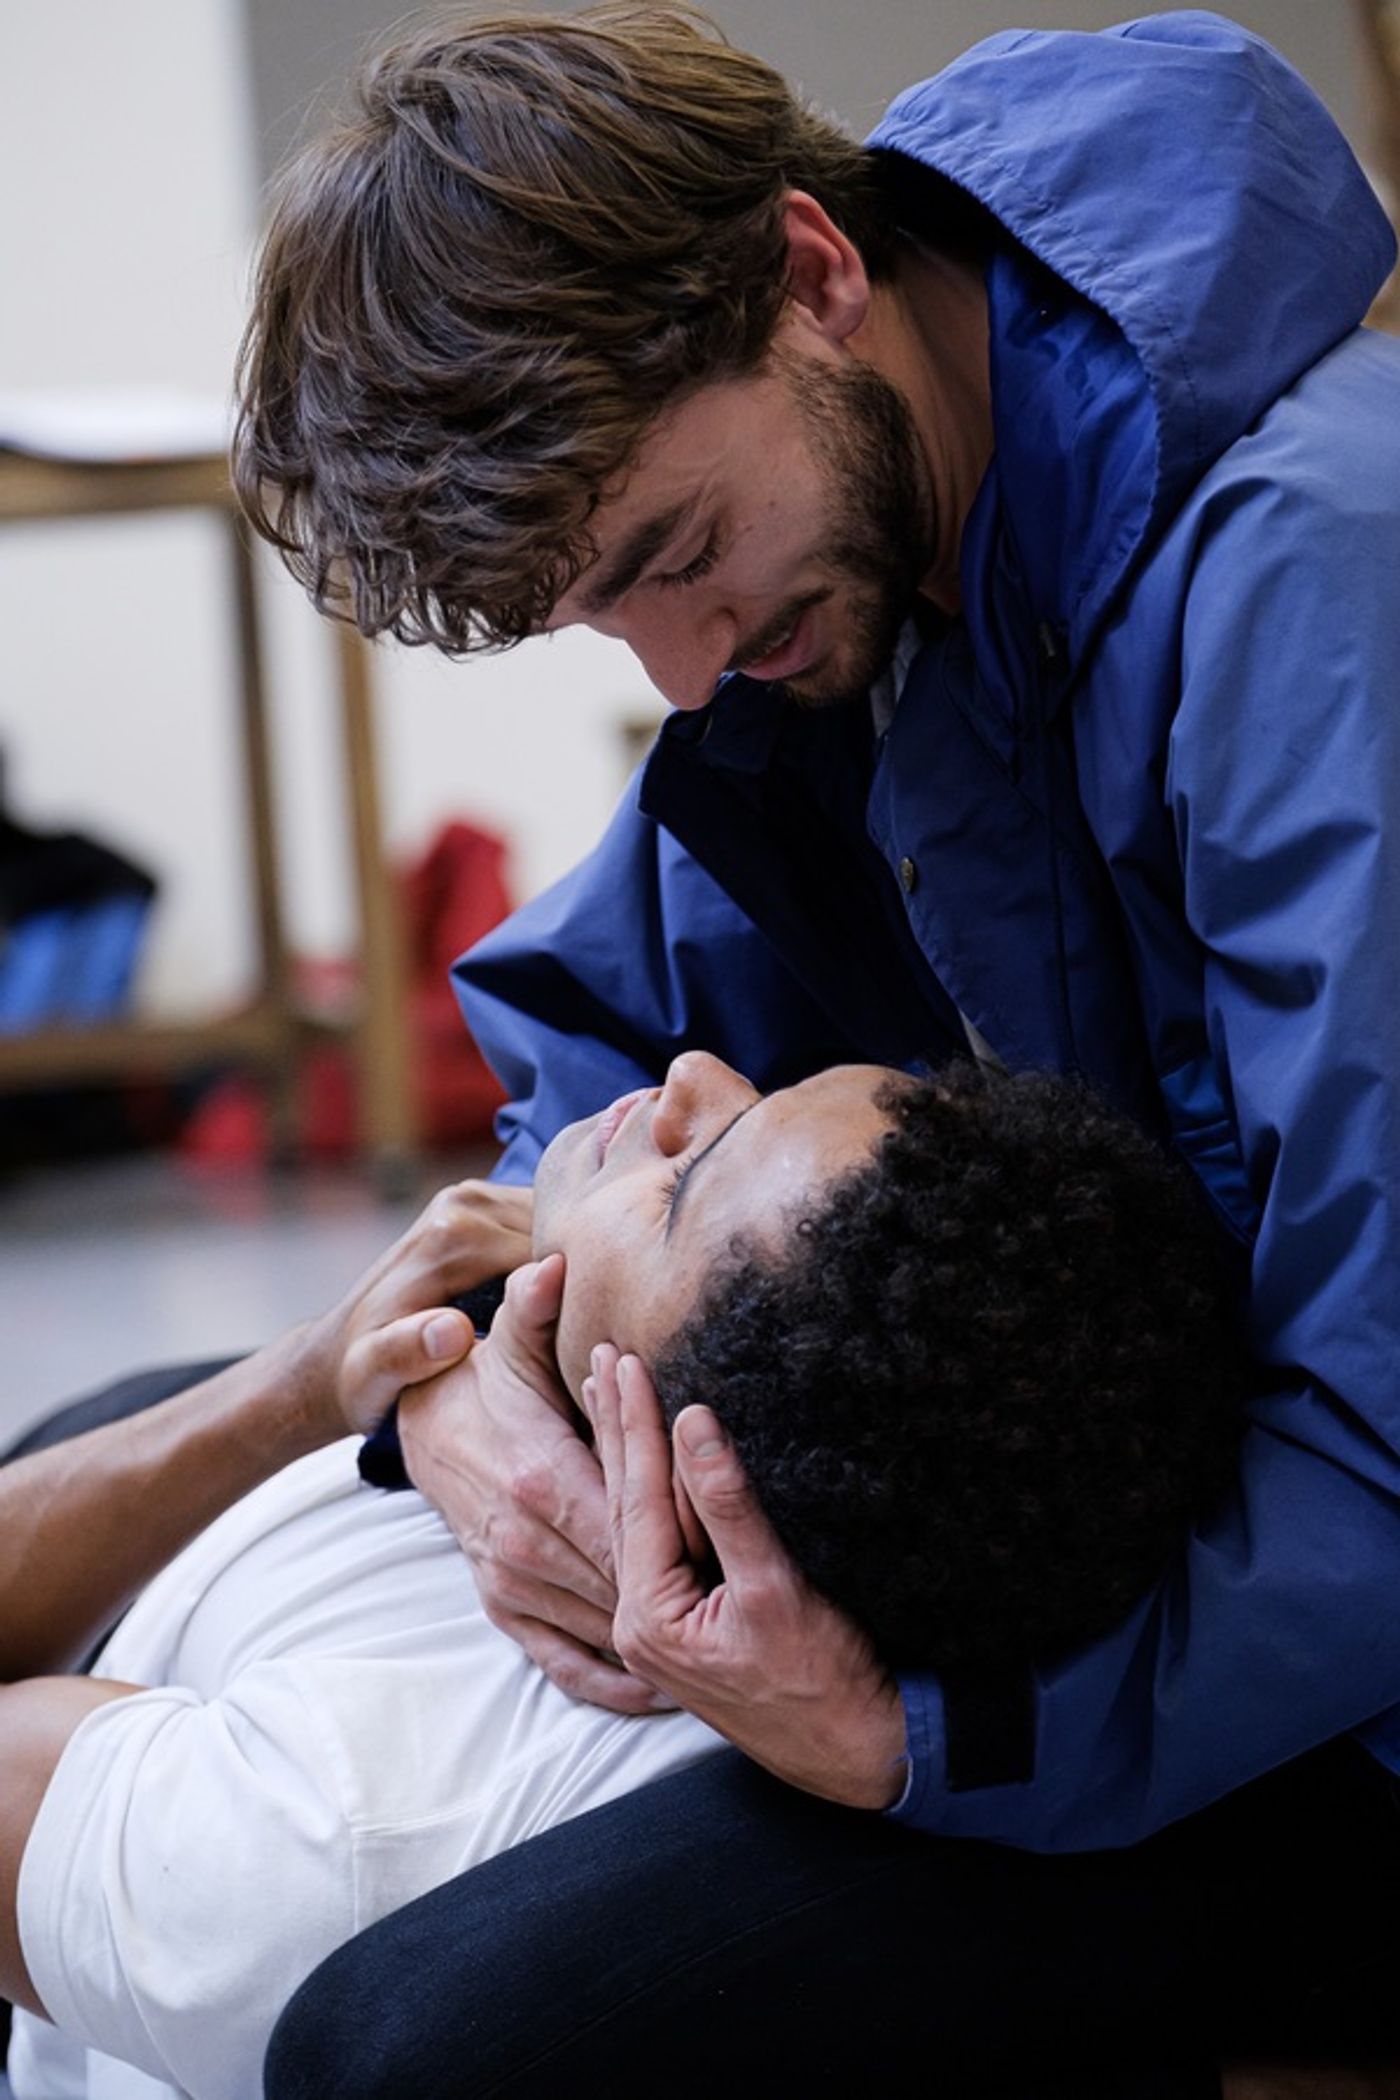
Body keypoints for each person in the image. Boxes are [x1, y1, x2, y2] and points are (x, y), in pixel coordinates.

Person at [230, 3, 1400, 2089]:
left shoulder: (1321, 583)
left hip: (1333, 1704)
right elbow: (591, 1058)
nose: (687, 666)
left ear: (810, 271)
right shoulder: (847, 582)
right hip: (1129, 1607)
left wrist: (938, 1741)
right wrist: (480, 1412)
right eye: (608, 614)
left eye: (675, 556)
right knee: (182, 1455)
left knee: (417, 2045)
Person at [2, 1055, 1241, 2099]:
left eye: (680, 1185)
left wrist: (299, 1385)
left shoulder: (359, 1820)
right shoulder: (895, 1539)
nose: (689, 1075)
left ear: (704, 1469)